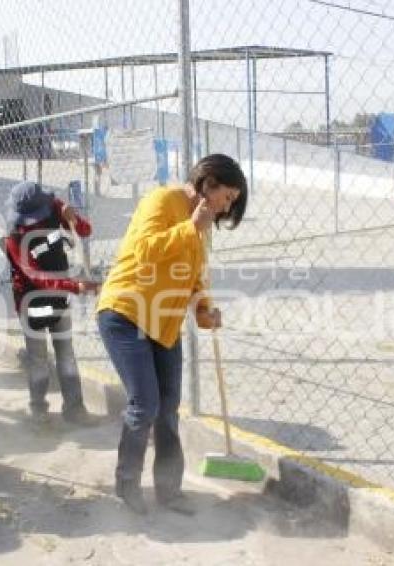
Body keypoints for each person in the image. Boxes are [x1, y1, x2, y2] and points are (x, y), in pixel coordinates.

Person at [96, 154, 248, 515]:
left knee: (167, 410)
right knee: (145, 403)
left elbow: (194, 274)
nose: (227, 208)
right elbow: (144, 251)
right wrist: (190, 227)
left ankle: (169, 490)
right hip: (126, 312)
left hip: (164, 322)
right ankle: (127, 483)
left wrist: (203, 309)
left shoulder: (202, 223)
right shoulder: (162, 200)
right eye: (227, 197)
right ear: (208, 183)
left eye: (232, 203)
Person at [3, 181, 99, 426]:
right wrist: (74, 286)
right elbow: (35, 276)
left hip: (59, 299)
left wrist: (72, 216)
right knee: (38, 361)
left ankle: (74, 409)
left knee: (66, 355)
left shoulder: (53, 208)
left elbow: (85, 231)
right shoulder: (14, 238)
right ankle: (39, 411)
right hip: (32, 303)